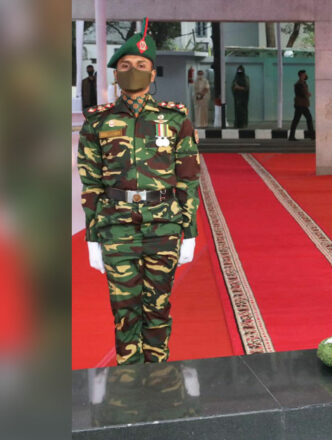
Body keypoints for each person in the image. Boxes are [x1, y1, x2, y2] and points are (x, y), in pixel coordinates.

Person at [77, 18, 201, 365]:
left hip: (164, 226)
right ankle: (128, 382)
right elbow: (91, 183)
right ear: (115, 74)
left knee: (158, 309)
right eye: (126, 66)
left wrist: (188, 231)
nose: (133, 71)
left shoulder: (175, 120)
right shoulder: (97, 122)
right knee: (124, 312)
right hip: (116, 228)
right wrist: (92, 236)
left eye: (141, 66)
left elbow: (188, 179)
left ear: (152, 74)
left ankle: (157, 379)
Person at [288, 69, 314, 141]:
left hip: (302, 104)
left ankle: (291, 136)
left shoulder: (303, 83)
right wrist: (307, 94)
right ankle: (311, 135)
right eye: (304, 74)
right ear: (301, 75)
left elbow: (304, 92)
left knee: (296, 120)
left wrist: (307, 94)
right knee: (308, 119)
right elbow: (302, 93)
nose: (306, 75)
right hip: (301, 105)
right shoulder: (299, 84)